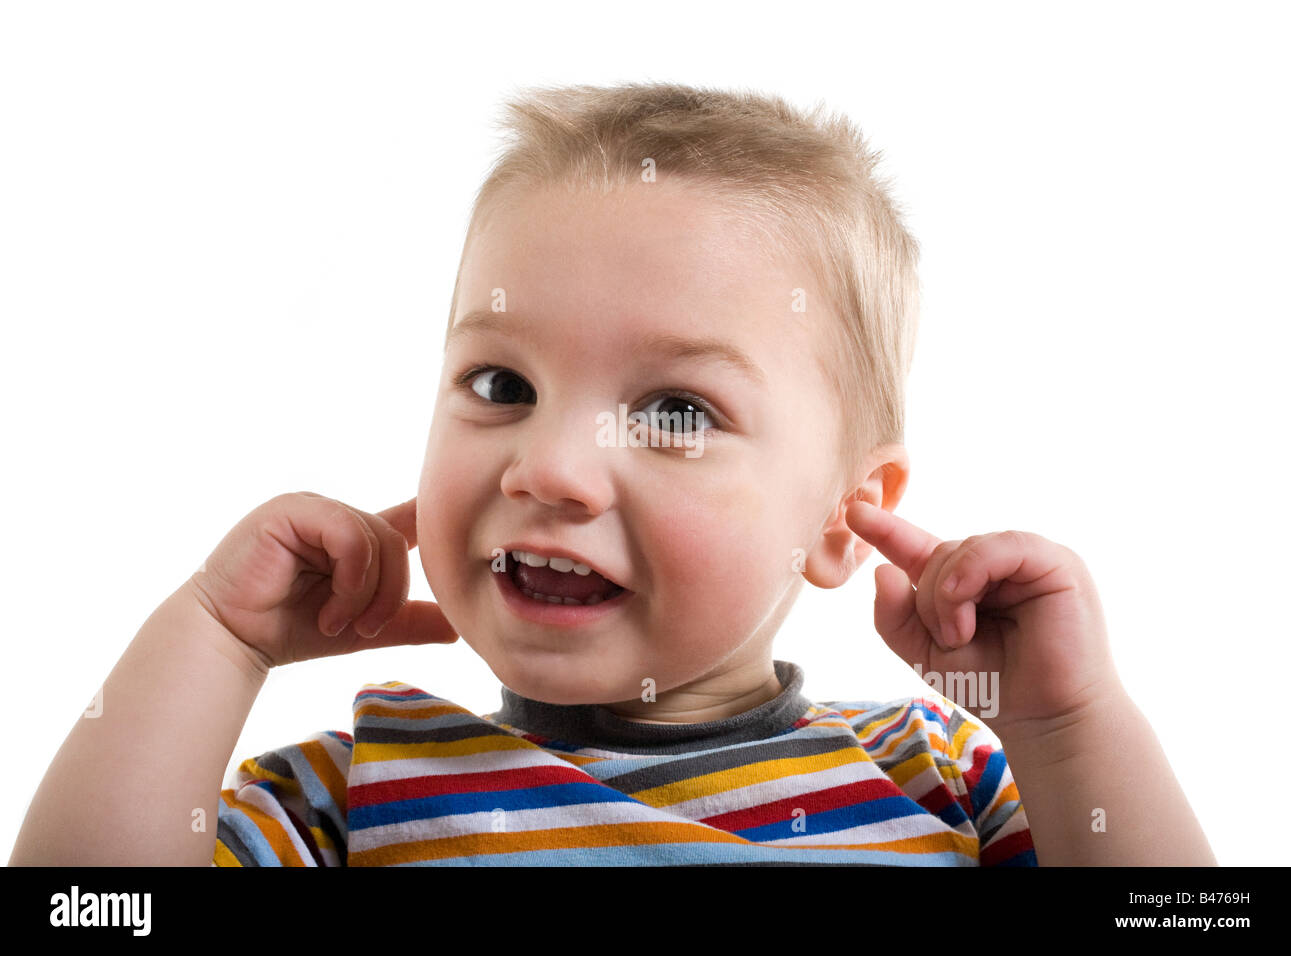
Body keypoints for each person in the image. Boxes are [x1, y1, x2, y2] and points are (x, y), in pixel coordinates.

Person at [9, 82, 1215, 866]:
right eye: (501, 385)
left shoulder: (934, 771)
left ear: (844, 515)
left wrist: (1064, 724)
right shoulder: (354, 786)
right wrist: (216, 639)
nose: (547, 465)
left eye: (676, 408)